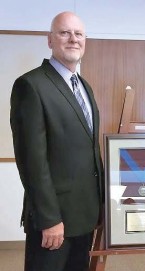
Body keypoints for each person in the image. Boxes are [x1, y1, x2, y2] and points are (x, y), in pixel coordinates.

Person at [10, 11, 104, 271]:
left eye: (79, 34)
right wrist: (50, 218)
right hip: (54, 221)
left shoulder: (85, 87)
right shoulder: (31, 86)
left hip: (84, 216)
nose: (73, 39)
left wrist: (102, 208)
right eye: (64, 32)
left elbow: (90, 151)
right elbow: (32, 162)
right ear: (50, 40)